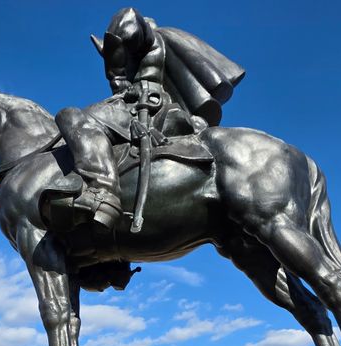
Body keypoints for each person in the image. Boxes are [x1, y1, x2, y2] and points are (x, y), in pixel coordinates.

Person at [55, 7, 245, 230]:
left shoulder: (148, 37)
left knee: (70, 116)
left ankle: (102, 190)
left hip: (145, 104)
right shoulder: (155, 46)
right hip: (149, 103)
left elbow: (126, 18)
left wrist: (115, 71)